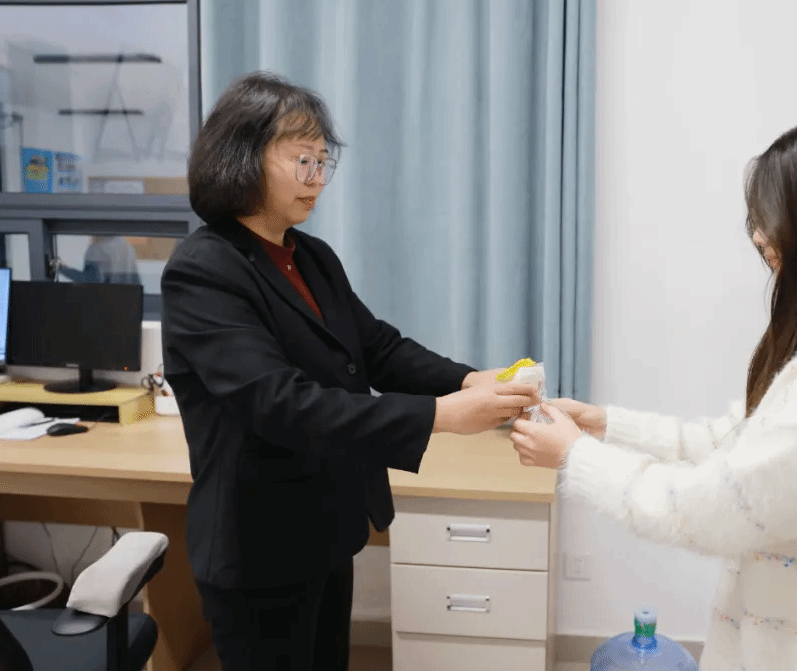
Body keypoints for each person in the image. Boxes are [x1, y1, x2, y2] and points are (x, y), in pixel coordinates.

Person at [511, 115, 797, 670]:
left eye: (774, 217)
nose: (761, 236)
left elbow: (716, 506)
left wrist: (575, 457)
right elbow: (737, 441)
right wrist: (605, 425)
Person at [160, 71, 539, 671]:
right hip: (257, 545)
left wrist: (469, 381)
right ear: (242, 158)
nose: (317, 178)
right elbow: (281, 403)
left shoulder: (309, 256)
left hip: (324, 529)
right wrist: (441, 416)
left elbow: (376, 347)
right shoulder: (204, 270)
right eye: (302, 160)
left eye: (322, 161)